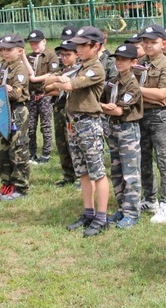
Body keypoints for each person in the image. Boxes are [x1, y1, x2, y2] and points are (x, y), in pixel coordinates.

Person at [46, 27, 109, 237]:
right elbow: (51, 84)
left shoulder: (95, 68)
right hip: (74, 122)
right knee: (82, 171)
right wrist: (57, 81)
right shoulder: (81, 67)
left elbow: (70, 85)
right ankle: (88, 212)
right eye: (78, 45)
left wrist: (59, 81)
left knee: (98, 172)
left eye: (83, 45)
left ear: (96, 46)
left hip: (89, 123)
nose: (78, 49)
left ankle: (101, 217)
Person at [137, 25, 166, 223]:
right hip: (141, 114)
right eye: (145, 41)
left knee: (164, 160)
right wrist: (148, 95)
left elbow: (163, 95)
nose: (148, 45)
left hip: (160, 116)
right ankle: (150, 198)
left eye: (153, 42)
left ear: (163, 43)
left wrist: (137, 90)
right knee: (144, 158)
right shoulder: (140, 63)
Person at [101, 44, 143, 229]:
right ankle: (122, 208)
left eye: (124, 60)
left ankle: (132, 213)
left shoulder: (132, 84)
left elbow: (118, 110)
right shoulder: (114, 81)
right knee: (116, 171)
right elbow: (105, 102)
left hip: (127, 130)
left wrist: (100, 107)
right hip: (113, 128)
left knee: (130, 173)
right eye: (117, 59)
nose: (119, 62)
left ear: (134, 62)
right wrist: (103, 106)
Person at [0, 34, 31, 201]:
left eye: (9, 50)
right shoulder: (1, 66)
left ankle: (20, 186)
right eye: (1, 50)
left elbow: (16, 93)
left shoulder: (20, 68)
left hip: (17, 111)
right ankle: (7, 182)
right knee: (1, 150)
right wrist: (2, 86)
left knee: (17, 149)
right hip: (2, 109)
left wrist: (3, 87)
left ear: (19, 51)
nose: (4, 53)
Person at [48, 40, 81, 187]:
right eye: (61, 55)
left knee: (75, 143)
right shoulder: (62, 71)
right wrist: (56, 81)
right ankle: (68, 175)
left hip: (74, 111)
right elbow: (45, 86)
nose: (64, 58)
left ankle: (81, 176)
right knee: (62, 142)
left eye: (68, 54)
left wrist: (56, 86)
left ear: (77, 54)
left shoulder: (80, 70)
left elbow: (72, 88)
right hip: (59, 109)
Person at [25, 30, 59, 164]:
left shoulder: (51, 56)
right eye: (32, 43)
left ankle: (46, 154)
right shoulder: (28, 57)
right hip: (31, 96)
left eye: (37, 43)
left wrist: (35, 79)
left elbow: (53, 73)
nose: (34, 46)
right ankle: (31, 154)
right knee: (30, 126)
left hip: (45, 95)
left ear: (44, 41)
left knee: (45, 126)